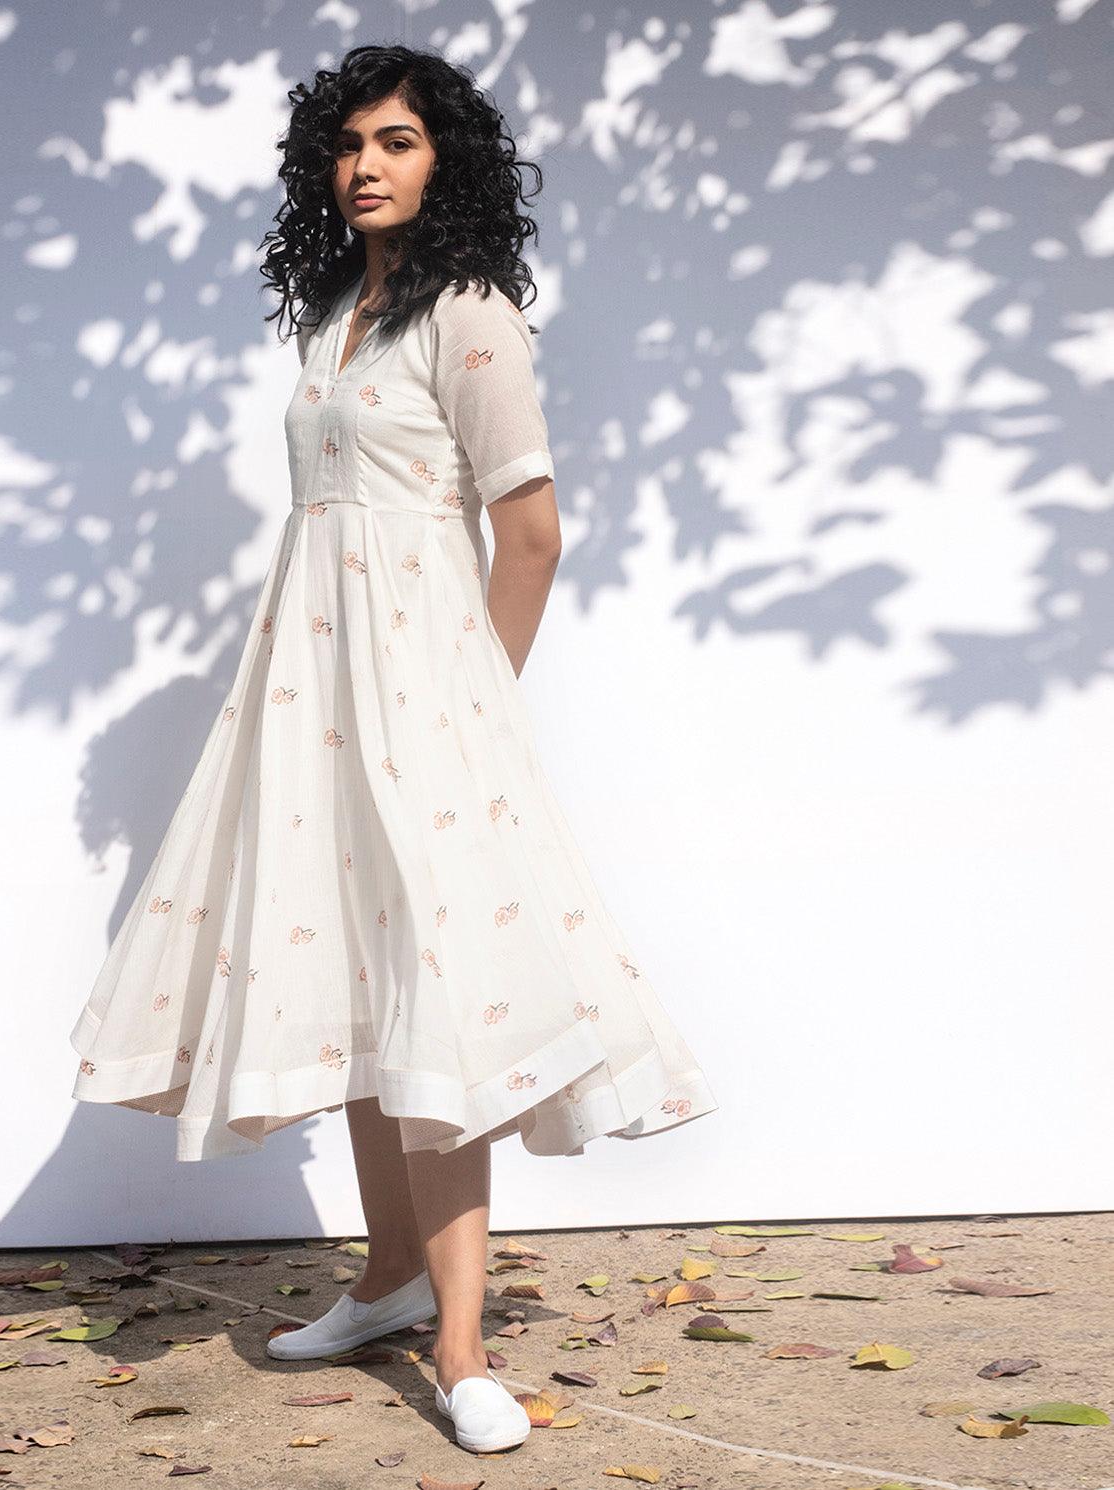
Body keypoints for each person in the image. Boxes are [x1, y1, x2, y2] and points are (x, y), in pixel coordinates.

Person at [69, 43, 718, 1455]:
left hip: (424, 696)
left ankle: (462, 1346)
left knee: (442, 997)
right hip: (310, 690)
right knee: (361, 982)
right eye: (349, 143)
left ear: (447, 161)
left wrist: (471, 704)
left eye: (398, 141)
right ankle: (387, 1276)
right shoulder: (336, 312)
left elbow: (530, 534)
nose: (365, 165)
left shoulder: (468, 312)